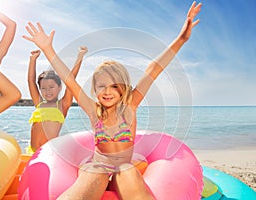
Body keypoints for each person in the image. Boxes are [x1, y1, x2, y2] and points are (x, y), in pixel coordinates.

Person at [23, 1, 201, 199]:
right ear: (95, 89)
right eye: (101, 86)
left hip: (121, 171)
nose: (107, 92)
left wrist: (182, 39)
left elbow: (154, 68)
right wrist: (48, 49)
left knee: (127, 170)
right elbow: (69, 80)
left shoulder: (130, 106)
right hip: (96, 167)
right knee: (96, 174)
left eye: (114, 86)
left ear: (123, 87)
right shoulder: (93, 109)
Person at [27, 47, 88, 153]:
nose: (47, 91)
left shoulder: (62, 105)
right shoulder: (39, 103)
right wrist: (33, 60)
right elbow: (31, 81)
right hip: (32, 152)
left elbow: (71, 80)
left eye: (51, 87)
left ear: (60, 87)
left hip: (50, 153)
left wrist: (80, 56)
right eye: (43, 88)